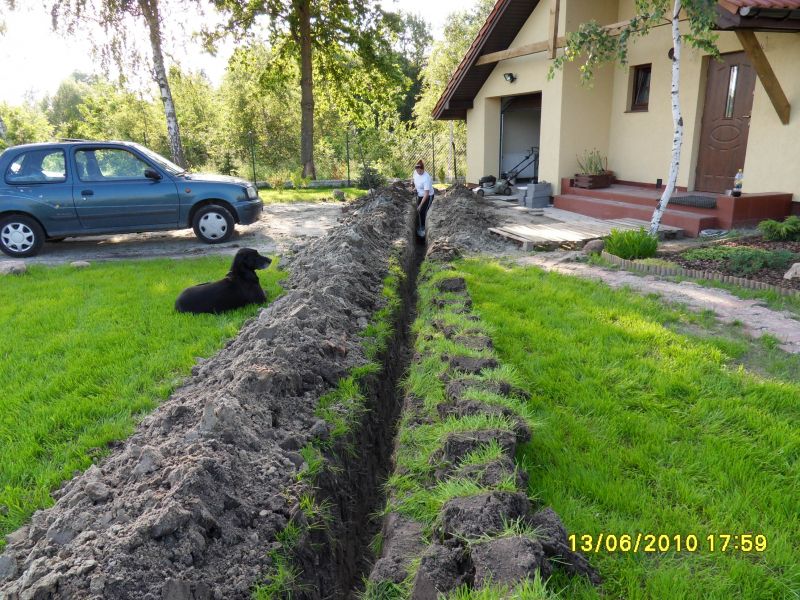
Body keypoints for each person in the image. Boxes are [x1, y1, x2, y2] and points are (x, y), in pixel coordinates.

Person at [412, 159, 434, 237]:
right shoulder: (415, 173)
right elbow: (415, 181)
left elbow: (426, 194)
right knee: (419, 212)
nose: (418, 172)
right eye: (417, 171)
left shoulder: (426, 178)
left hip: (428, 196)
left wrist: (420, 205)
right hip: (420, 195)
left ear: (423, 169)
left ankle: (424, 228)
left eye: (420, 171)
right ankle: (420, 226)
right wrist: (414, 188)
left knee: (423, 211)